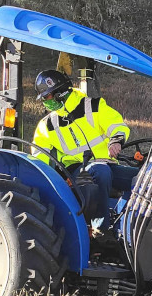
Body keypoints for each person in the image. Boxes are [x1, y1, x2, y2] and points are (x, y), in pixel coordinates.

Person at [32, 69, 135, 237]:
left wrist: (116, 140)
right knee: (100, 171)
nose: (45, 102)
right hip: (76, 173)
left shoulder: (93, 106)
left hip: (105, 165)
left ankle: (133, 228)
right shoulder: (46, 126)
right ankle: (100, 230)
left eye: (46, 97)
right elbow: (40, 157)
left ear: (59, 94)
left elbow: (116, 124)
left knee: (146, 178)